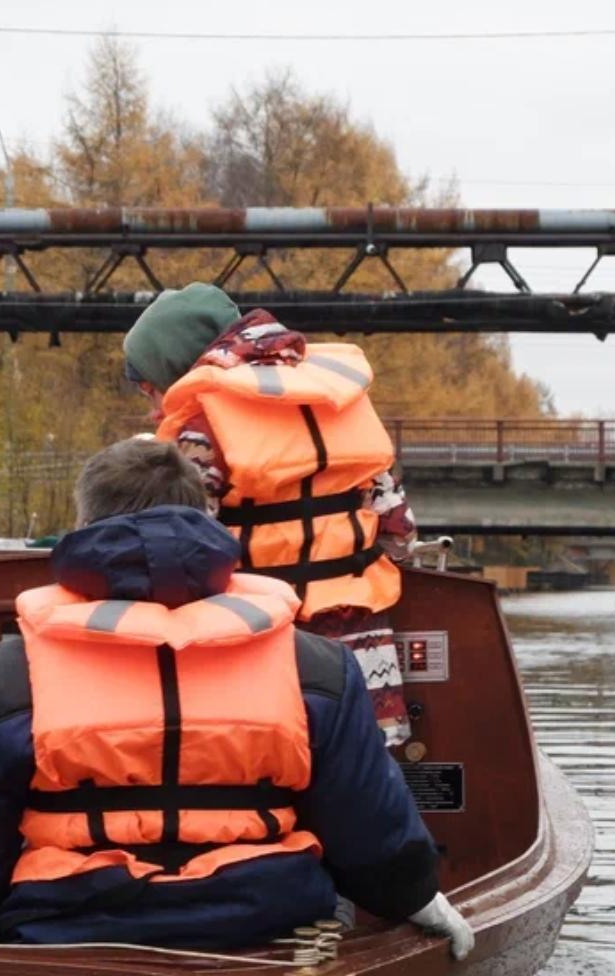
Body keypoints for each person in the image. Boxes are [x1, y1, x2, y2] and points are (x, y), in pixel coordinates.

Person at [0, 437, 471, 957]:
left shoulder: (6, 676)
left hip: (67, 933)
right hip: (265, 927)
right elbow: (366, 825)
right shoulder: (316, 667)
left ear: (83, 524)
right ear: (206, 517)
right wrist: (417, 897)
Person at [122, 282, 421, 745]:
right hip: (363, 666)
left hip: (256, 655)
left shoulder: (201, 428)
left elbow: (179, 551)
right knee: (359, 788)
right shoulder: (340, 399)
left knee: (261, 789)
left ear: (174, 367)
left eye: (150, 390)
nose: (153, 409)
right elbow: (400, 534)